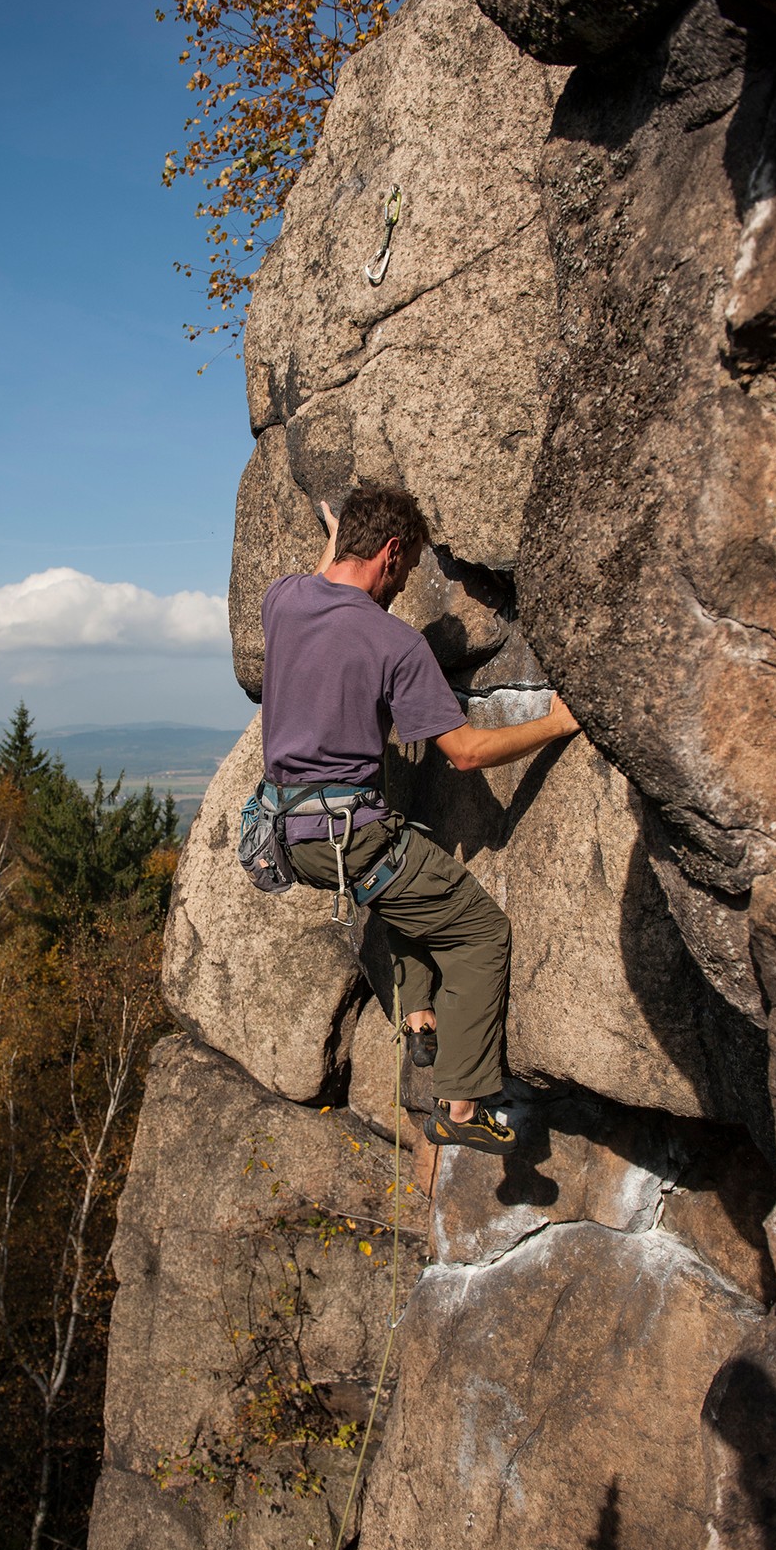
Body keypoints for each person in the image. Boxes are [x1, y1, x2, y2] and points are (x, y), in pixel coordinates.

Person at [260, 484, 580, 1155]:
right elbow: (465, 755)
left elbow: (328, 575)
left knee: (417, 867)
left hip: (289, 835)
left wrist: (335, 528)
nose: (401, 590)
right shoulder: (392, 644)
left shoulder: (284, 602)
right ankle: (462, 1103)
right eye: (402, 573)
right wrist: (555, 721)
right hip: (353, 840)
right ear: (392, 551)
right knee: (480, 933)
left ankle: (420, 1014)